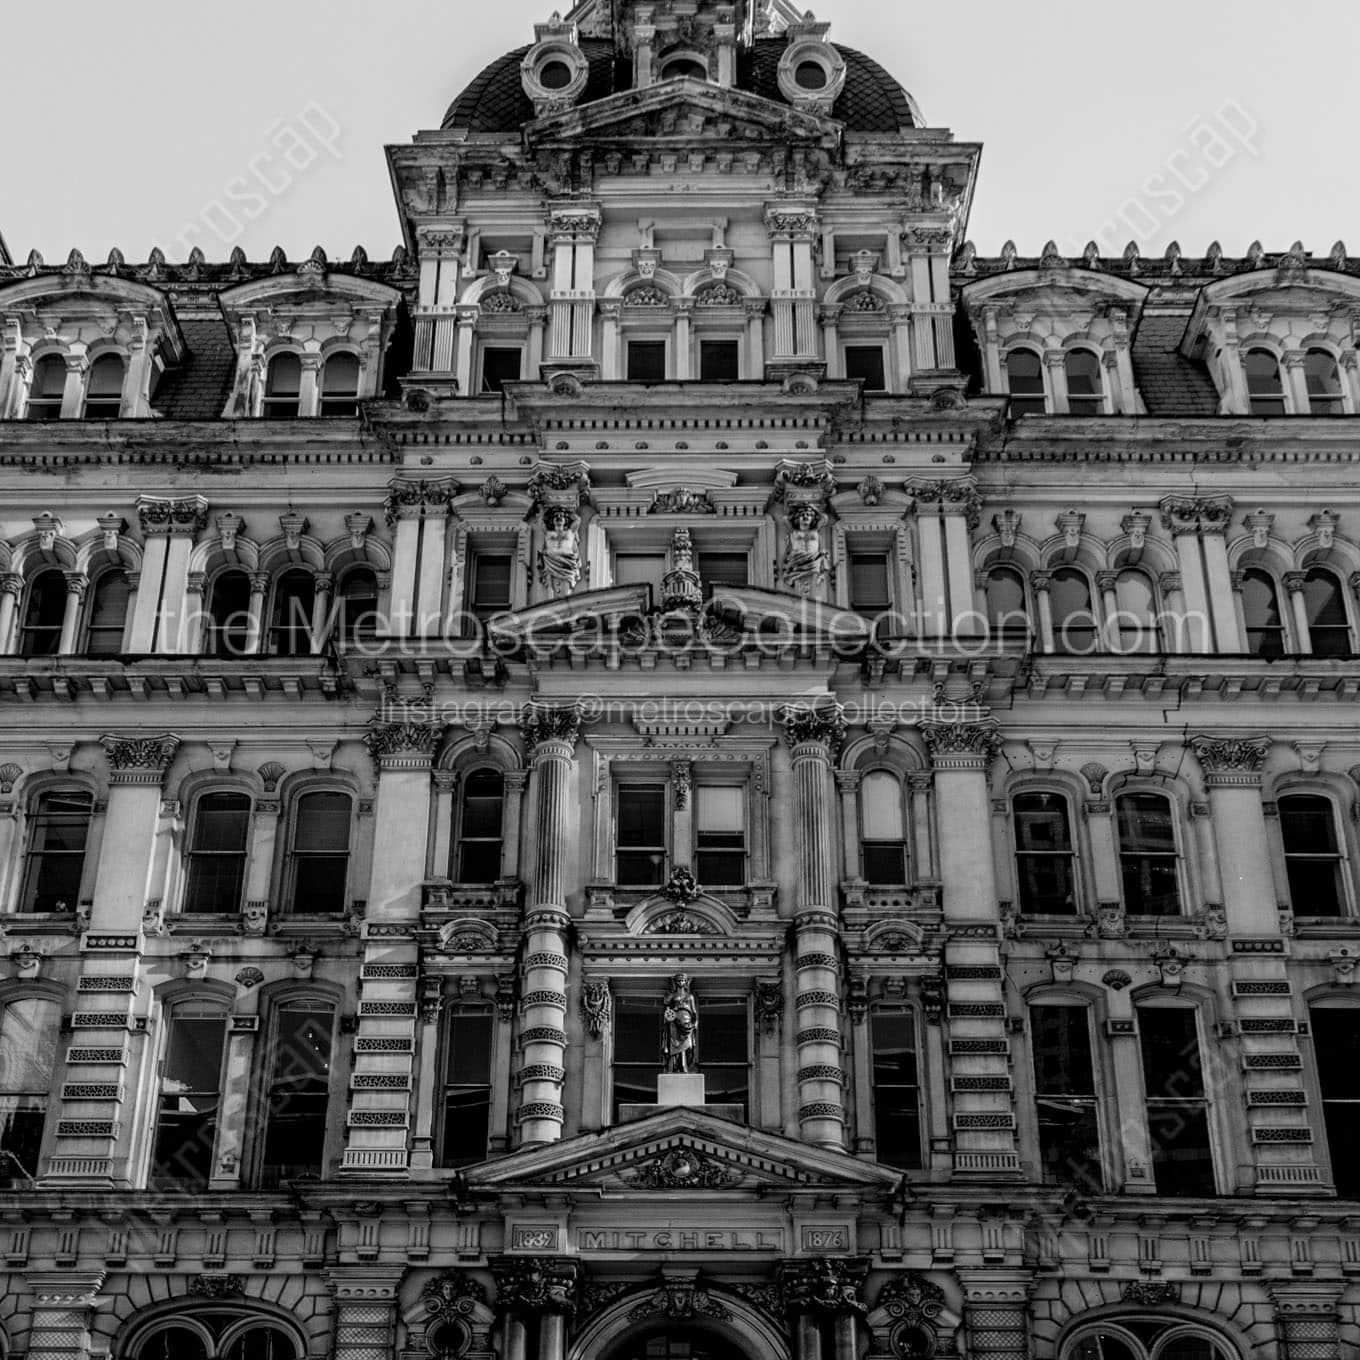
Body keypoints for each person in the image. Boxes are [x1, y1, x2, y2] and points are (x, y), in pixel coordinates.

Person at [661, 972, 699, 1073]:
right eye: (679, 980)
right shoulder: (673, 995)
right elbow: (667, 1008)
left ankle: (686, 1065)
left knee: (689, 1048)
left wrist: (695, 1023)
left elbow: (694, 1012)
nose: (681, 982)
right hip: (674, 1023)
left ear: (686, 982)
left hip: (687, 1024)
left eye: (683, 980)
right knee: (675, 1047)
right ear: (676, 982)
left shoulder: (690, 997)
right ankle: (677, 1067)